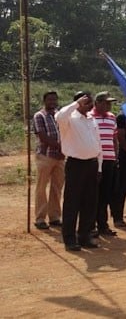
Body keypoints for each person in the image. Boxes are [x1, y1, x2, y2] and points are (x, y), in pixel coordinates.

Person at [56, 91, 102, 252]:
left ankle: (84, 236)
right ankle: (70, 239)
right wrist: (76, 104)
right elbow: (59, 116)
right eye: (86, 101)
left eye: (90, 102)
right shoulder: (69, 119)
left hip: (92, 164)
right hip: (76, 165)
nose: (89, 105)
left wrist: (100, 166)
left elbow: (98, 144)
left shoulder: (91, 119)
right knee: (72, 203)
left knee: (89, 203)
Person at [33, 91, 64, 230]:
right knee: (41, 188)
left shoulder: (59, 115)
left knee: (57, 187)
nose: (52, 102)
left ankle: (55, 217)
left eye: (54, 99)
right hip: (45, 156)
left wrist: (64, 150)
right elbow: (43, 136)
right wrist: (60, 148)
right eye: (49, 99)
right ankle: (40, 218)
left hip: (60, 158)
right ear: (44, 101)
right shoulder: (39, 116)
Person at [91, 91, 119, 237]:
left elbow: (114, 139)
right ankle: (91, 226)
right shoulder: (90, 117)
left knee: (105, 195)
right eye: (106, 102)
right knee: (92, 194)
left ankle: (103, 225)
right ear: (97, 103)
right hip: (95, 161)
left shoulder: (112, 118)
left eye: (110, 103)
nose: (109, 105)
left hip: (109, 161)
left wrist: (116, 157)